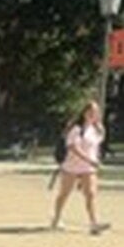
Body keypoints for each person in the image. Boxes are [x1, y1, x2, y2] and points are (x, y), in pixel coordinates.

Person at [51, 100, 111, 235]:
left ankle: (93, 224)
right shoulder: (76, 129)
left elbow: (96, 144)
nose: (93, 115)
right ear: (84, 113)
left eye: (96, 112)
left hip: (88, 168)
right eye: (91, 112)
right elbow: (73, 147)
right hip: (71, 166)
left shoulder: (96, 129)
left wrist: (102, 131)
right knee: (64, 194)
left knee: (90, 194)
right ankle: (57, 217)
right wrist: (89, 159)